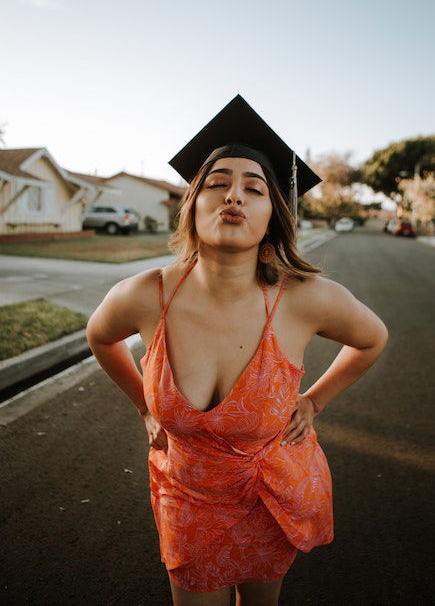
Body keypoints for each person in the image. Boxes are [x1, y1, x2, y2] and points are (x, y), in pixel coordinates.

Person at [86, 95, 389, 606]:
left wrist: (314, 401)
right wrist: (144, 404)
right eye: (216, 183)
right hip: (189, 497)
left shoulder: (304, 299)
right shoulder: (145, 295)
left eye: (254, 188)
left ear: (273, 213)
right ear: (193, 204)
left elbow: (372, 339)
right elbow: (99, 336)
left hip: (270, 496)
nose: (234, 196)